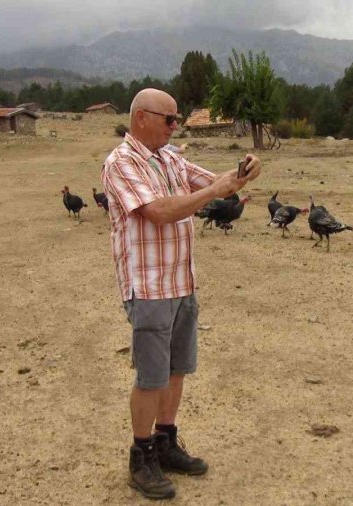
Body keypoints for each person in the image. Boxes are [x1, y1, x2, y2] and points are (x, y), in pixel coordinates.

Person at [101, 88, 260, 500]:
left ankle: (166, 441)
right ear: (141, 118)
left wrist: (241, 174)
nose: (177, 126)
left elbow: (213, 183)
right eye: (169, 119)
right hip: (150, 286)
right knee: (151, 376)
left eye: (177, 119)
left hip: (181, 281)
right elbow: (158, 211)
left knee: (177, 369)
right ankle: (141, 455)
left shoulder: (169, 157)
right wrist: (212, 192)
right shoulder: (121, 163)